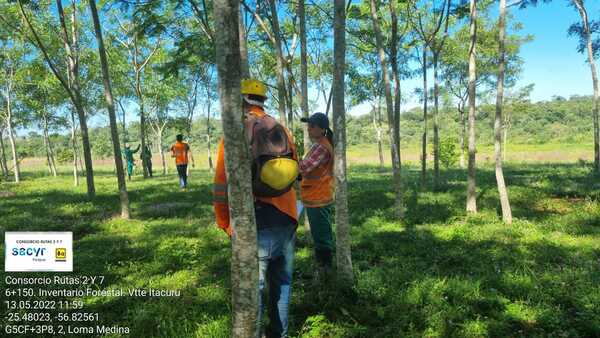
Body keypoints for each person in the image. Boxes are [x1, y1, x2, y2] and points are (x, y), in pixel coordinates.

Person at [213, 79, 299, 338]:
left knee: (254, 289)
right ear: (262, 101)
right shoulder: (281, 129)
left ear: (241, 100)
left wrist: (224, 222)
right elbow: (296, 169)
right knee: (282, 283)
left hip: (256, 220)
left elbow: (221, 183)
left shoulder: (235, 132)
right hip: (287, 217)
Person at [299, 112, 335, 282]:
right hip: (317, 195)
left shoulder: (321, 147)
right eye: (308, 125)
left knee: (321, 235)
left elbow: (304, 168)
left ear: (322, 129)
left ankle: (325, 271)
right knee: (321, 232)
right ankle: (323, 269)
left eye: (312, 126)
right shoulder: (319, 144)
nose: (309, 128)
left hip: (318, 197)